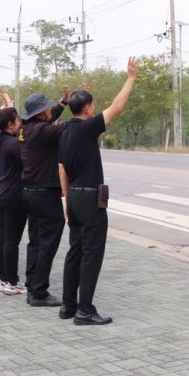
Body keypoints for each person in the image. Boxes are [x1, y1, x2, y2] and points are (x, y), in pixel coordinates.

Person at [58, 57, 138, 325]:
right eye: (92, 105)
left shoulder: (65, 132)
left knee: (75, 251)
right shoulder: (88, 128)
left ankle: (67, 306)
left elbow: (61, 170)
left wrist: (67, 201)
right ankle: (85, 310)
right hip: (90, 199)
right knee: (91, 254)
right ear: (88, 109)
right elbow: (117, 107)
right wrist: (130, 78)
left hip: (74, 197)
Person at [19, 87, 70, 307]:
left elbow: (51, 119)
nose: (50, 110)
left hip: (30, 192)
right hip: (45, 194)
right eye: (48, 108)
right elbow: (69, 127)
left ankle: (32, 286)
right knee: (47, 243)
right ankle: (39, 292)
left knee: (36, 242)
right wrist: (81, 112)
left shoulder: (26, 129)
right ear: (41, 112)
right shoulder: (42, 131)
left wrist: (63, 104)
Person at [0, 106, 27, 295]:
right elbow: (26, 161)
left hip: (0, 193)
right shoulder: (12, 144)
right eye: (18, 120)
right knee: (11, 240)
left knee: (3, 237)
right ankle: (12, 281)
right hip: (13, 195)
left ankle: (3, 277)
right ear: (10, 124)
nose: (20, 123)